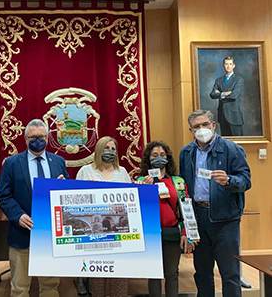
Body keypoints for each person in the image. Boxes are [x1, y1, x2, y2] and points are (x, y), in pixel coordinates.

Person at [179, 109, 251, 297]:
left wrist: (229, 180)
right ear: (190, 130)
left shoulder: (231, 149)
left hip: (225, 218)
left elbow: (246, 181)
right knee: (202, 272)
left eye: (204, 125)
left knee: (230, 273)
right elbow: (184, 186)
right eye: (196, 127)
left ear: (213, 125)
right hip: (198, 218)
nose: (201, 129)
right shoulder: (186, 152)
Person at [0, 119, 69, 297]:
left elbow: (67, 196)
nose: (38, 140)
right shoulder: (12, 163)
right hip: (21, 233)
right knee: (20, 287)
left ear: (48, 137)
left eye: (41, 136)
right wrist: (18, 215)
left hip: (50, 234)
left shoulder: (58, 161)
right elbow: (3, 195)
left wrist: (64, 188)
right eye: (33, 137)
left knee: (50, 286)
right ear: (25, 138)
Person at [136, 140, 194, 297]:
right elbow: (137, 211)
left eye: (162, 155)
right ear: (148, 158)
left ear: (167, 158)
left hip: (172, 232)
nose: (159, 157)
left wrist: (186, 233)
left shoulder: (178, 181)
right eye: (155, 155)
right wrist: (143, 190)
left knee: (172, 273)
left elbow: (185, 210)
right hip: (150, 234)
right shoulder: (140, 181)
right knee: (154, 274)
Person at [76, 136, 131, 297]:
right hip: (94, 234)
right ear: (99, 149)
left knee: (120, 278)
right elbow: (75, 199)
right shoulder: (85, 171)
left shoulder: (123, 172)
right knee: (97, 280)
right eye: (107, 148)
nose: (110, 152)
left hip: (119, 233)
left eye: (113, 149)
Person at [209, 56, 244, 136]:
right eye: (226, 64)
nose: (228, 66)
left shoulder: (238, 80)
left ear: (233, 65)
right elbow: (212, 94)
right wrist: (224, 93)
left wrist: (219, 94)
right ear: (223, 66)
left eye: (230, 64)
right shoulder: (218, 80)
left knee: (237, 144)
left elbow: (234, 95)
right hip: (222, 116)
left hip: (234, 117)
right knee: (225, 144)